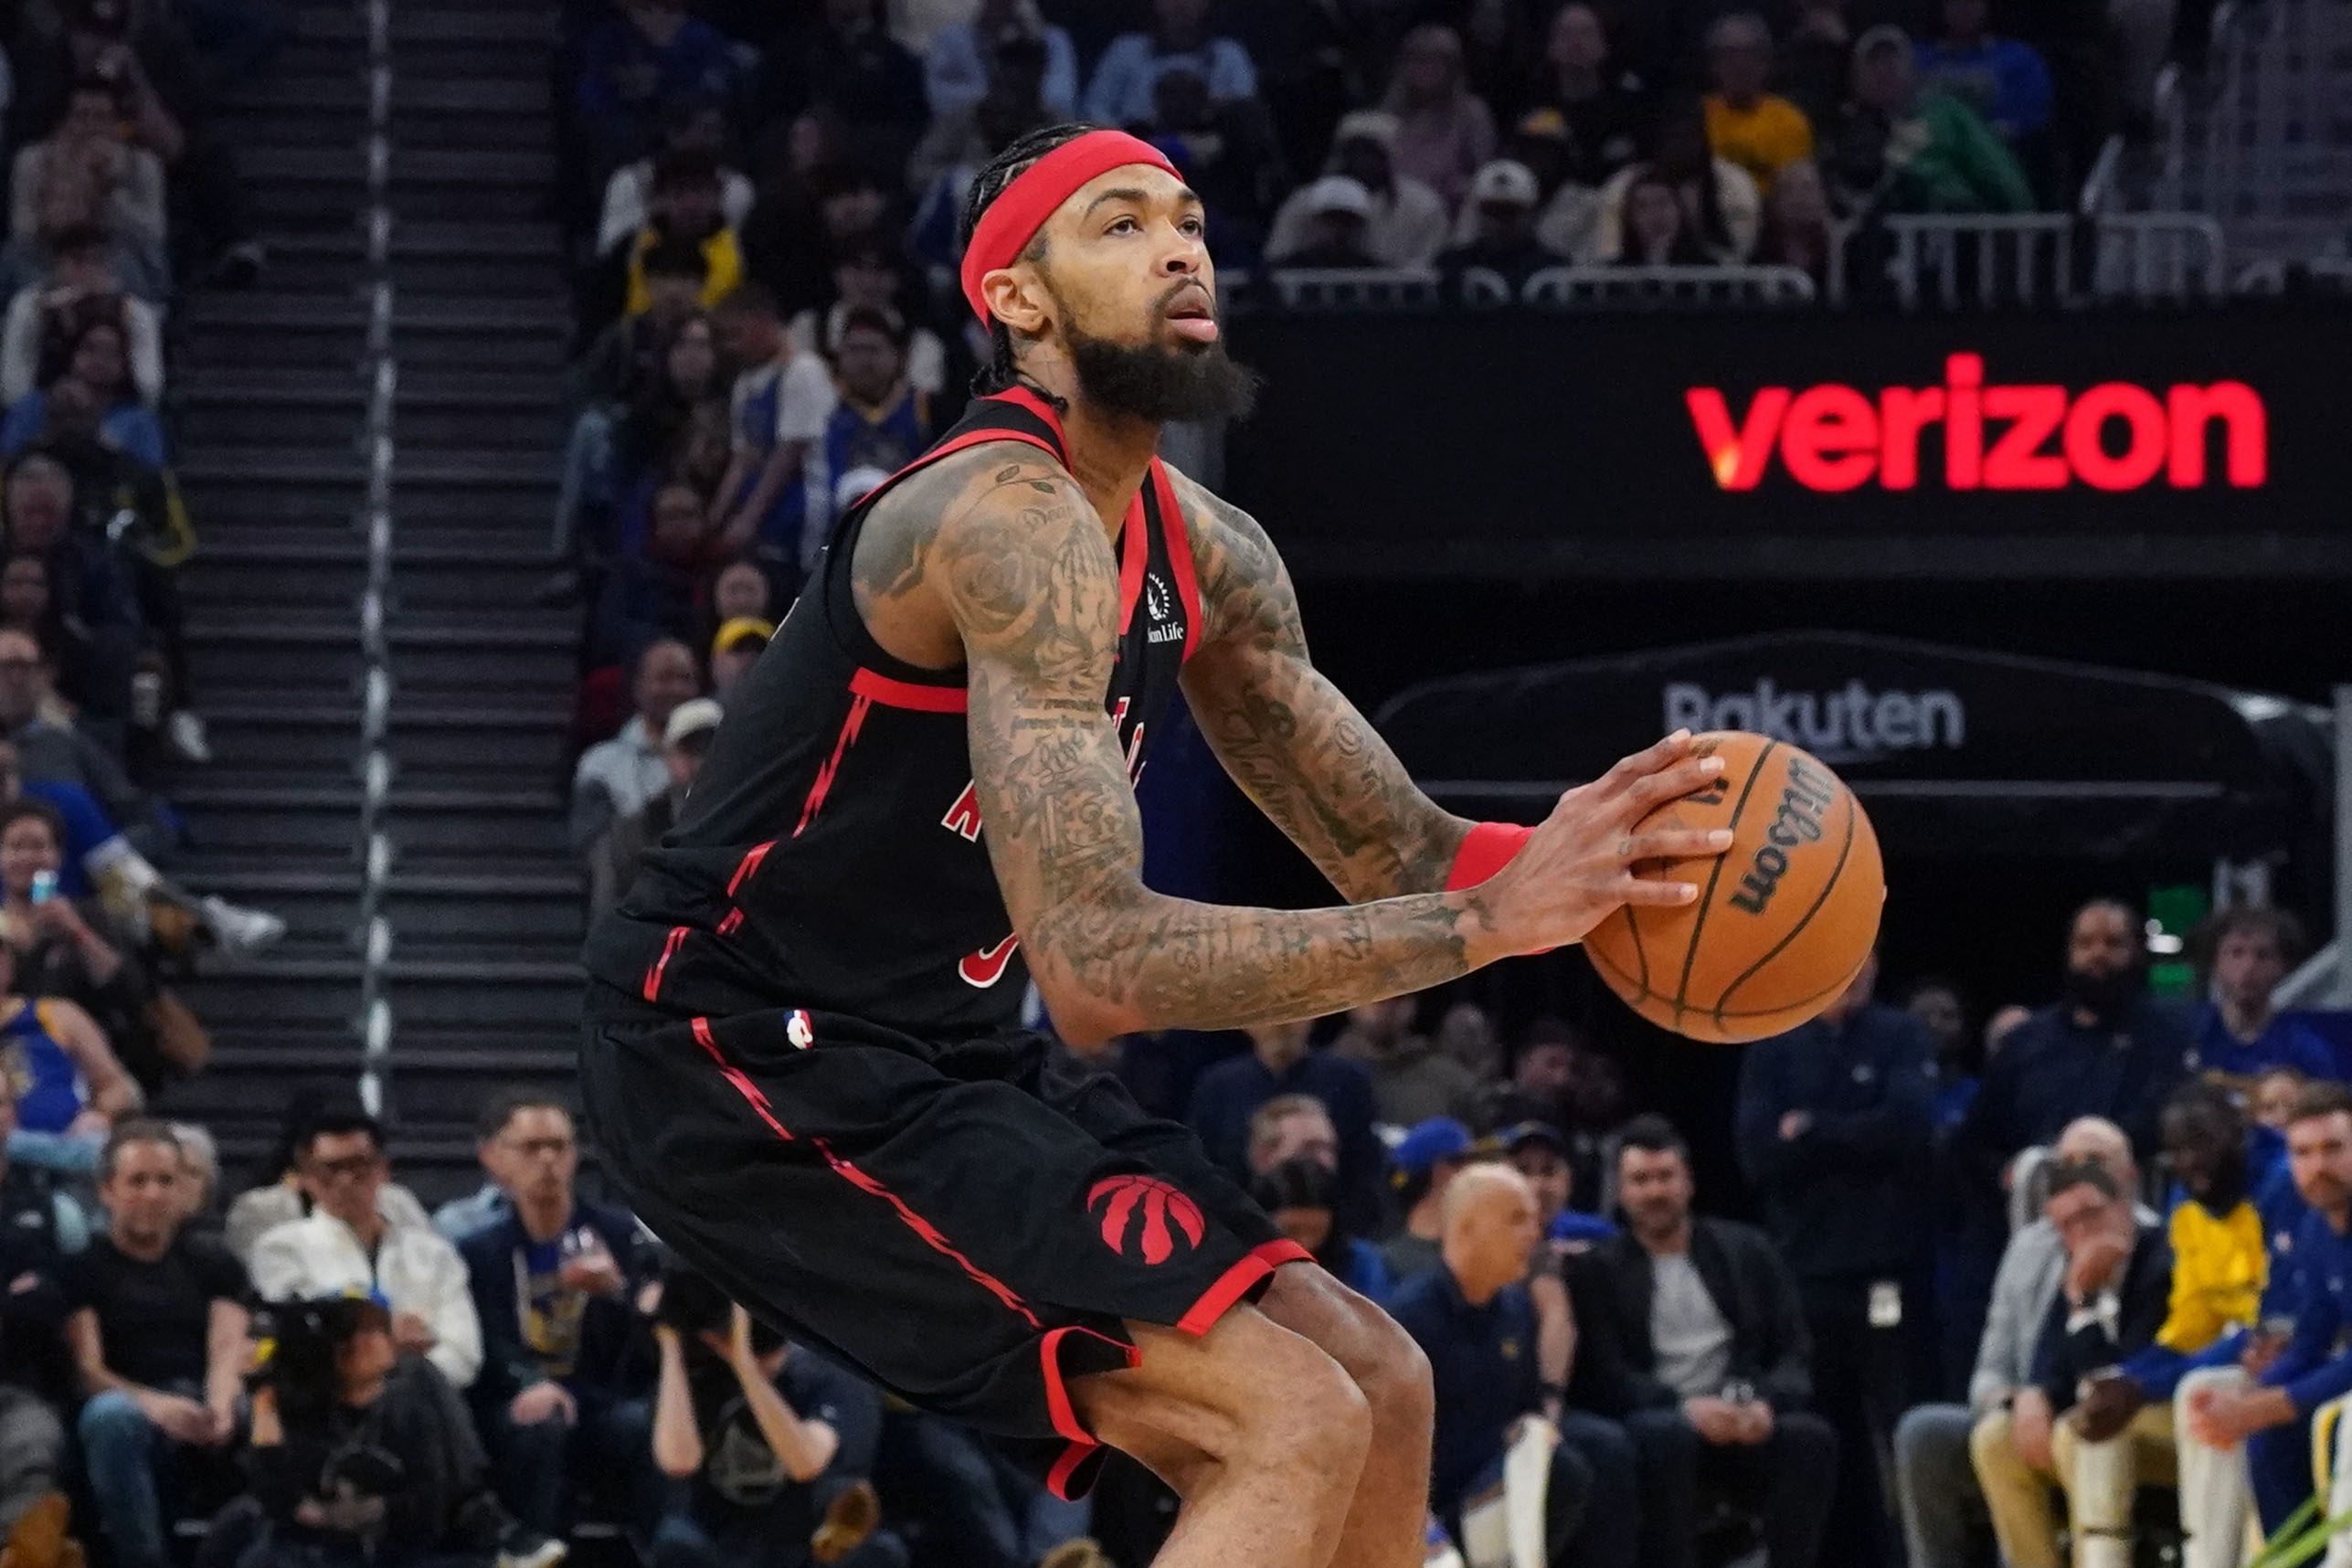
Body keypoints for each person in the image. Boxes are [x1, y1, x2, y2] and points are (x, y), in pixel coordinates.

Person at [580, 121, 1736, 1568]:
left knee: (1379, 1382)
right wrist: (1490, 924)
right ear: (1016, 299)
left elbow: (1402, 854)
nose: (1181, 250)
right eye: (1119, 225)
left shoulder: (1209, 547)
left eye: (1187, 220)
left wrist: (1604, 868)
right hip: (732, 1044)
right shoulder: (1002, 519)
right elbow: (1097, 970)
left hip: (938, 1046)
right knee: (1284, 1421)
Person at [1893, 1117, 2147, 1568]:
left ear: (2129, 1175)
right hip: (2021, 1414)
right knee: (1928, 1433)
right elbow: (1990, 1369)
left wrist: (2049, 1396)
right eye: (2068, 1163)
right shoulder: (2028, 1248)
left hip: (2104, 1412)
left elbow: (2125, 1366)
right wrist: (2018, 1402)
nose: (2081, 1171)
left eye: (2095, 1160)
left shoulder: (2152, 1241)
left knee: (2072, 1434)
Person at [1590, 1116, 1838, 1568]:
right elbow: (1609, 1374)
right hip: (1665, 1416)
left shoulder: (1748, 1250)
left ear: (1688, 1182)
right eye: (1640, 1180)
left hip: (1743, 1409)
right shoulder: (1600, 1270)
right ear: (1621, 1193)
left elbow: (1793, 1351)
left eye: (1665, 1176)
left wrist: (1766, 1403)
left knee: (1810, 1437)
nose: (1655, 1191)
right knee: (1664, 1437)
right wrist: (1684, 1408)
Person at [1389, 1164, 1635, 1568]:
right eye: (1517, 1219)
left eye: (1535, 1220)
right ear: (1466, 1229)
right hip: (1431, 1508)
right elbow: (1389, 1452)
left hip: (1499, 1483)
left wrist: (1534, 1431)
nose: (1534, 1234)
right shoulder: (1408, 1320)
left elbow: (1526, 1409)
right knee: (1563, 1473)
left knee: (1595, 1455)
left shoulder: (1516, 1308)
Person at [457, 1096, 657, 1540]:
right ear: (495, 1158)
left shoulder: (620, 1235)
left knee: (645, 1422)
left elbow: (656, 1332)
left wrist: (618, 1290)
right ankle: (534, 1548)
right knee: (538, 1424)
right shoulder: (479, 1249)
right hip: (516, 1396)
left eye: (559, 1146)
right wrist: (529, 1382)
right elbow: (484, 1338)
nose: (547, 1159)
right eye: (531, 1147)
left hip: (602, 1394)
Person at [242, 1291, 560, 1568]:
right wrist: (264, 1407)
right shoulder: (305, 1417)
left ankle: (480, 1512)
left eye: (380, 1328)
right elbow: (281, 1503)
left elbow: (426, 1507)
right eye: (365, 1332)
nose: (382, 1338)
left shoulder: (412, 1400)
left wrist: (363, 1513)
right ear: (335, 1351)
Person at [61, 1121, 249, 1568]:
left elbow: (228, 1348)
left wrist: (220, 1405)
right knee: (110, 1418)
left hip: (200, 1394)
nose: (153, 1194)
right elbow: (88, 1370)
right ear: (107, 1191)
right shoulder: (83, 1267)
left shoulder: (214, 1261)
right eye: (137, 1181)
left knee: (258, 1410)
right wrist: (156, 1407)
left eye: (165, 1181)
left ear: (183, 1189)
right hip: (129, 1401)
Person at [2175, 1083, 2352, 1556]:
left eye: (2333, 1149)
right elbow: (2311, 1340)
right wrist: (2250, 1400)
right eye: (2303, 1153)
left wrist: (2269, 1404)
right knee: (2235, 1413)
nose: (2318, 1167)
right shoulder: (2316, 1227)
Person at [1971, 1158, 2171, 1568]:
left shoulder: (2160, 1258)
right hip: (2103, 1420)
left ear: (2123, 1205)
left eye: (2090, 1214)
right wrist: (2032, 1395)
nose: (2082, 1232)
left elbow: (2115, 1379)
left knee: (2080, 1431)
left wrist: (2082, 1305)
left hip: (2157, 1416)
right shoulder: (2075, 1273)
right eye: (2067, 1225)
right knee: (1994, 1440)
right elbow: (2050, 1367)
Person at [649, 1270, 903, 1568]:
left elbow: (806, 1463)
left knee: (881, 1552)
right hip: (729, 1541)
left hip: (810, 1542)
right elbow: (678, 1463)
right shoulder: (702, 1376)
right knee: (675, 1540)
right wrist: (670, 1341)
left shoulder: (829, 1374)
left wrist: (745, 1367)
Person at [1959, 899, 2198, 1184]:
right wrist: (2010, 1174)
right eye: (2085, 943)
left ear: (2137, 952)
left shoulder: (2167, 1036)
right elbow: (1978, 1139)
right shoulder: (2026, 1042)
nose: (2098, 954)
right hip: (2036, 1197)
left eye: (2113, 943)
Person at [247, 1107, 482, 1391]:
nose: (346, 1180)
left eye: (359, 1166)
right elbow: (306, 1350)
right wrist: (394, 1345)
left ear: (383, 1170)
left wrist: (388, 1363)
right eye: (330, 1170)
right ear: (305, 1179)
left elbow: (464, 1355)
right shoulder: (280, 1250)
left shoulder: (434, 1253)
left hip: (422, 1398)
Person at [0, 797, 157, 1086]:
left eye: (39, 847)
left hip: (86, 1061)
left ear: (58, 856)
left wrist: (77, 932)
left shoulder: (89, 915)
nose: (27, 858)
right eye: (16, 847)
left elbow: (129, 992)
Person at [1187, 1018, 1383, 1238]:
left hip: (1335, 1232)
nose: (1280, 1024)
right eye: (1269, 1015)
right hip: (1241, 1234)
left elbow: (1364, 1171)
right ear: (1245, 1022)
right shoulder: (1217, 1087)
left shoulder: (1349, 1081)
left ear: (1312, 1016)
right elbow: (1204, 1171)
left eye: (1293, 1014)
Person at [1826, 26, 2035, 217]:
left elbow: (2004, 180)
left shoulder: (1947, 115)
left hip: (1951, 236)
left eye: (1892, 60)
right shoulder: (1841, 130)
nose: (1884, 69)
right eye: (1873, 61)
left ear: (1912, 70)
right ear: (1855, 79)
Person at [708, 285, 835, 573]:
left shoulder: (802, 370)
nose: (731, 347)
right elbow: (743, 459)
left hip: (805, 499)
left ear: (765, 323)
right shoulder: (745, 383)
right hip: (767, 500)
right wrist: (716, 517)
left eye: (737, 335)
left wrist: (748, 519)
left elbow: (789, 453)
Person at [1261, 111, 1448, 270]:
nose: (1362, 159)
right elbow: (1277, 257)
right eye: (1355, 150)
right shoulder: (1303, 202)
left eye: (1373, 151)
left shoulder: (1423, 206)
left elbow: (1426, 266)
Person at [592, 697, 722, 924]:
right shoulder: (632, 832)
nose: (699, 764)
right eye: (688, 751)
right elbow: (611, 910)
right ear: (668, 756)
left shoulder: (746, 823)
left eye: (709, 751)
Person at [569, 638, 700, 856]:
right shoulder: (600, 764)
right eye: (665, 678)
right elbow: (594, 851)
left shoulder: (719, 756)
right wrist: (669, 796)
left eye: (685, 679)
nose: (676, 689)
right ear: (639, 687)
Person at [0, 938, 136, 1137]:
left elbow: (116, 1086)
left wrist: (100, 1115)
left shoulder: (55, 1015)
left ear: (8, 963)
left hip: (65, 1143)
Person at [2193, 906, 2334, 1083]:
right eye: (2236, 953)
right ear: (2215, 963)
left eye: (2263, 955)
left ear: (2282, 967)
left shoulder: (2304, 1049)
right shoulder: (2191, 1037)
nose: (2249, 967)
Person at [1520, 5, 1647, 188]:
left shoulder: (1627, 108)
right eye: (1565, 34)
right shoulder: (1534, 105)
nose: (1575, 43)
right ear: (1551, 47)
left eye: (1586, 33)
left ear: (1603, 45)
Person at [1082, 0, 1256, 132]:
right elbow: (1095, 110)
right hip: (1137, 150)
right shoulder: (1125, 50)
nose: (1181, 5)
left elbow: (1245, 111)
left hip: (1209, 152)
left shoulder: (1229, 55)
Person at [1379, 26, 1495, 210]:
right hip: (1394, 213)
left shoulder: (1471, 114)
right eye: (1419, 59)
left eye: (1437, 60)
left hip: (1447, 212)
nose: (1427, 68)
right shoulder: (1387, 115)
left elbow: (1484, 177)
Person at [1701, 13, 1816, 196]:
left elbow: (1795, 190)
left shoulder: (1790, 122)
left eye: (1749, 53)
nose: (1740, 64)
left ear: (1766, 62)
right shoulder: (1697, 117)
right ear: (1713, 63)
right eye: (1730, 54)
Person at [1916, 0, 2055, 147]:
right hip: (1927, 153)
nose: (1964, 6)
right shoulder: (1915, 59)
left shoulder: (2021, 59)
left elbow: (2032, 120)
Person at [1332, 996, 1484, 1129]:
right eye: (1374, 997)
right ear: (1349, 1001)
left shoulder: (1450, 1079)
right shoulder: (1326, 1077)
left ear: (1412, 1004)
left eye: (1398, 998)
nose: (1387, 1006)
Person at [1249, 1159, 1386, 1303]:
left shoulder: (1361, 1263)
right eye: (1292, 1231)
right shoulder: (1245, 1264)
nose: (1304, 1244)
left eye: (1315, 1231)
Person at [927, 0, 1079, 121]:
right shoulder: (951, 40)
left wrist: (1031, 37)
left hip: (1037, 127)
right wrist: (994, 102)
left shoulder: (1053, 41)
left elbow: (1061, 100)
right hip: (971, 131)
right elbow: (942, 100)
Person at [1380, 1118, 1478, 1287]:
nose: (1475, 1172)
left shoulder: (1480, 1245)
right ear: (1440, 1171)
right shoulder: (1386, 1263)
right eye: (1464, 1161)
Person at [1434, 159, 1554, 297]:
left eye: (1510, 212)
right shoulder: (1451, 266)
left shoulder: (1552, 270)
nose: (1499, 221)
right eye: (1491, 211)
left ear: (1532, 212)